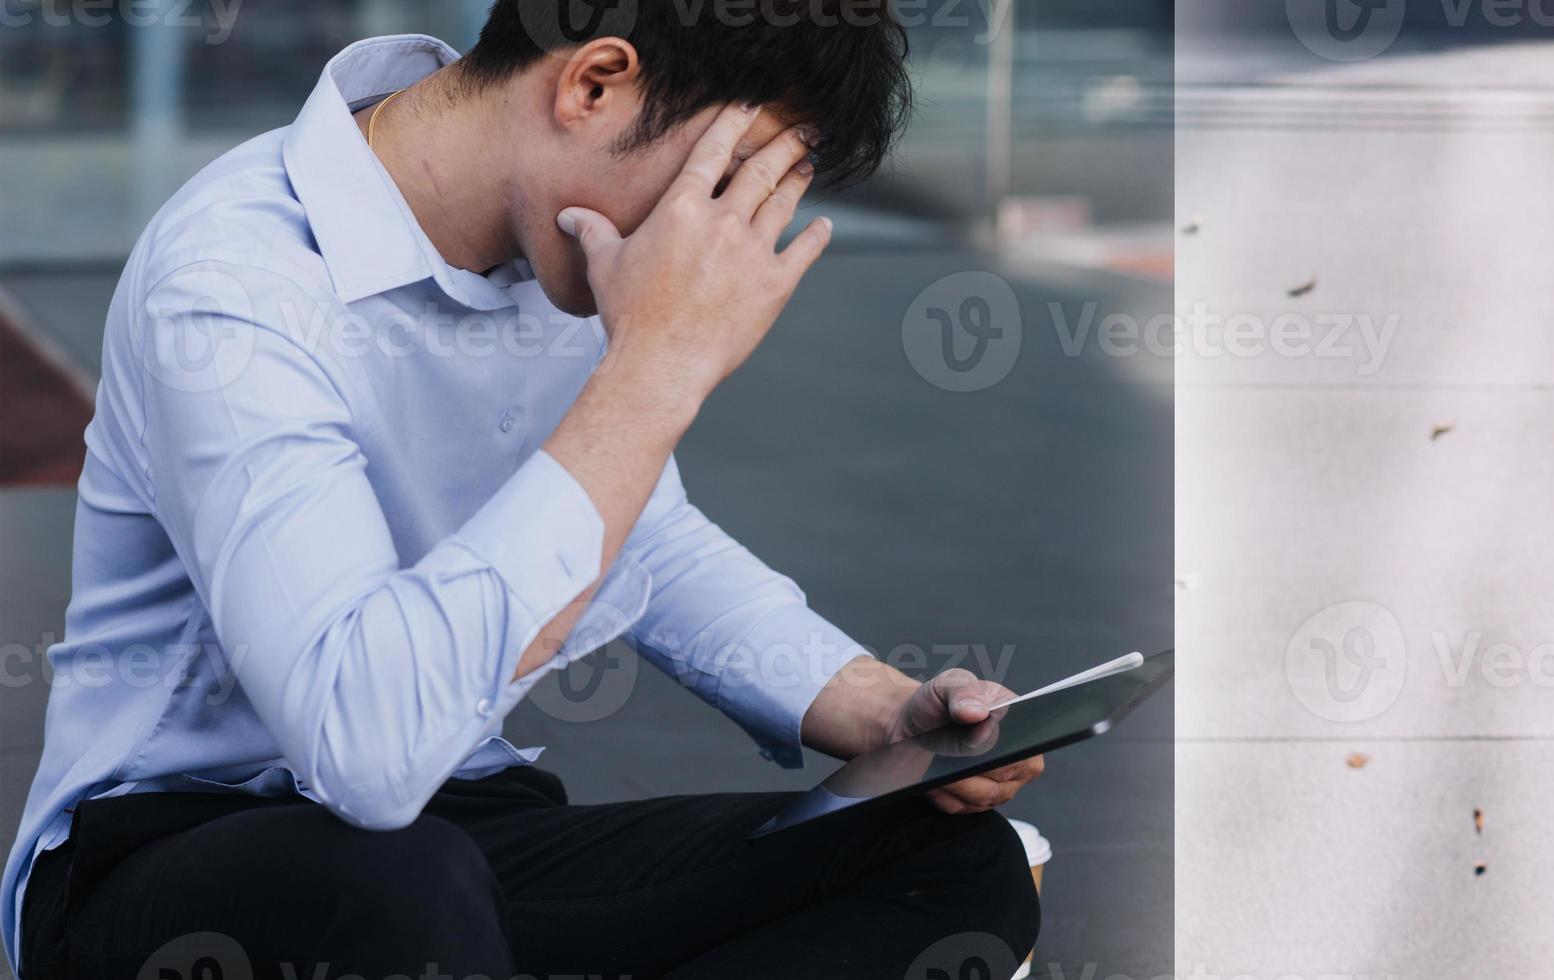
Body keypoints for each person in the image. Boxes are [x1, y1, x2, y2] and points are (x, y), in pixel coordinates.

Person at [6, 3, 1050, 976]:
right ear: (594, 83)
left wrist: (875, 705)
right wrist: (657, 370)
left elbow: (638, 532)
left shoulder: (558, 242)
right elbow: (363, 752)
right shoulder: (235, 282)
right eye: (722, 183)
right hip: (177, 858)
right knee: (394, 883)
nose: (724, 237)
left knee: (959, 864)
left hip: (462, 830)